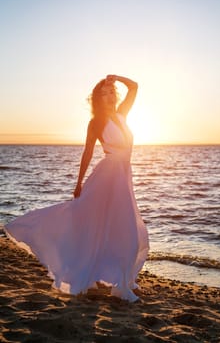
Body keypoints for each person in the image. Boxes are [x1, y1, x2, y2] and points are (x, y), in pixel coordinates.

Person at [5, 75, 149, 302]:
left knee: (124, 226)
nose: (110, 95)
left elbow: (135, 87)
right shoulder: (96, 123)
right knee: (102, 225)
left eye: (112, 91)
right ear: (97, 99)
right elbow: (88, 152)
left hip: (123, 176)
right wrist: (79, 182)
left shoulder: (122, 115)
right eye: (104, 93)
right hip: (107, 176)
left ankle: (124, 281)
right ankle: (118, 284)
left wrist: (116, 78)